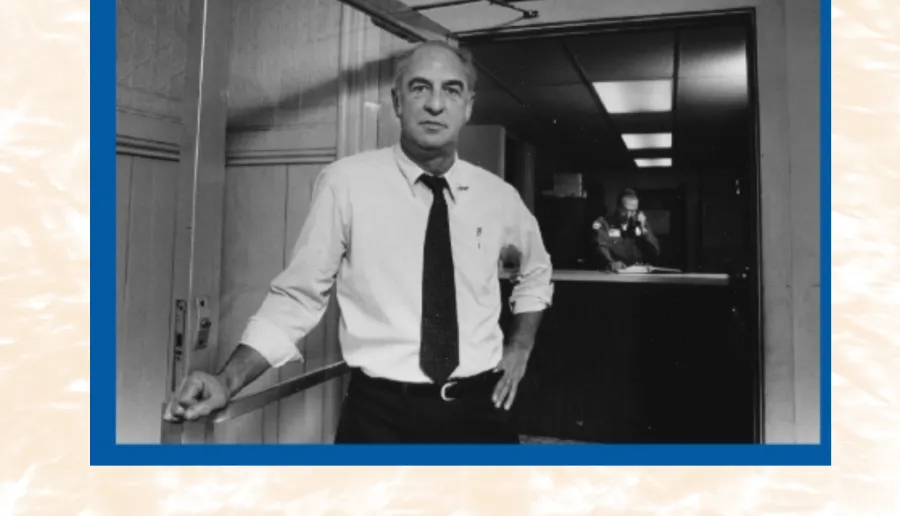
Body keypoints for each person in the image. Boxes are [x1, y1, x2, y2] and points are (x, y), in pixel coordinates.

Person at [163, 40, 554, 443]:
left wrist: (521, 344)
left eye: (451, 90)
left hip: (480, 411)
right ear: (397, 101)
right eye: (419, 88)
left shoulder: (498, 196)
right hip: (381, 417)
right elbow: (297, 298)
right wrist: (228, 380)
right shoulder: (345, 183)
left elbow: (537, 270)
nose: (435, 104)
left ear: (468, 105)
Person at [592, 189, 660, 272]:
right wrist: (611, 263)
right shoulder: (604, 223)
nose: (629, 216)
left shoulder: (641, 224)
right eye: (625, 211)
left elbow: (656, 252)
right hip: (614, 272)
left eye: (633, 211)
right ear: (618, 208)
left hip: (638, 273)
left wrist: (644, 231)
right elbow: (600, 246)